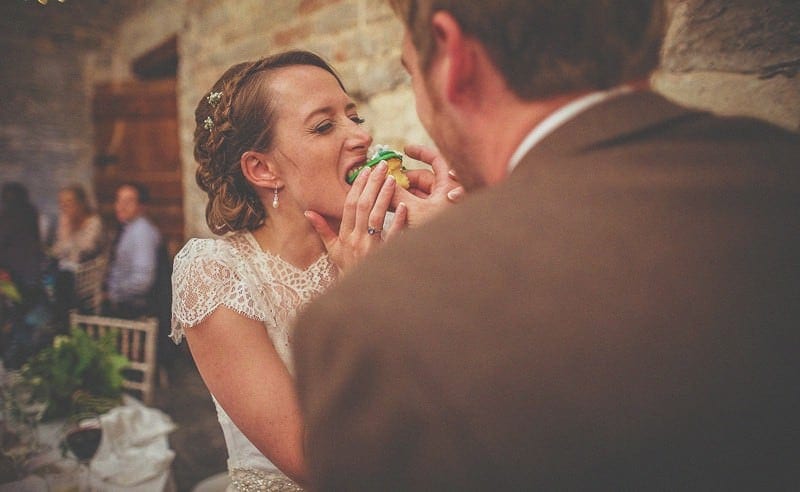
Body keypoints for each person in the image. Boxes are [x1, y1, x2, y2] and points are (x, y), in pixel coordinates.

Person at [292, 1, 800, 490]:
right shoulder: (780, 166)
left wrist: (401, 278)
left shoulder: (372, 315)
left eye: (411, 73)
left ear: (453, 56)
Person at [170, 50, 458, 490]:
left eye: (354, 116)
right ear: (263, 169)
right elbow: (320, 464)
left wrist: (460, 226)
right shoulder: (214, 273)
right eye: (324, 126)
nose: (361, 137)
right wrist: (364, 296)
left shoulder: (390, 237)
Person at [0, 182, 48, 367]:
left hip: (14, 281)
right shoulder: (31, 215)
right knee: (20, 321)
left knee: (12, 319)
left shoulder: (6, 219)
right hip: (32, 281)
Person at [104, 182, 162, 319]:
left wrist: (113, 293)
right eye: (118, 200)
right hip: (124, 302)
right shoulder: (129, 227)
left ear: (142, 207)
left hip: (134, 309)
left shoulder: (141, 232)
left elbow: (143, 280)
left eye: (128, 202)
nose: (121, 206)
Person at [50, 184, 105, 322]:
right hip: (65, 273)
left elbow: (84, 251)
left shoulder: (94, 223)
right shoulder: (65, 221)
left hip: (87, 275)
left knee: (62, 280)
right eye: (61, 203)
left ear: (81, 203)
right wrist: (66, 228)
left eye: (69, 202)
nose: (64, 207)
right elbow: (56, 250)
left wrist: (70, 233)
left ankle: (61, 323)